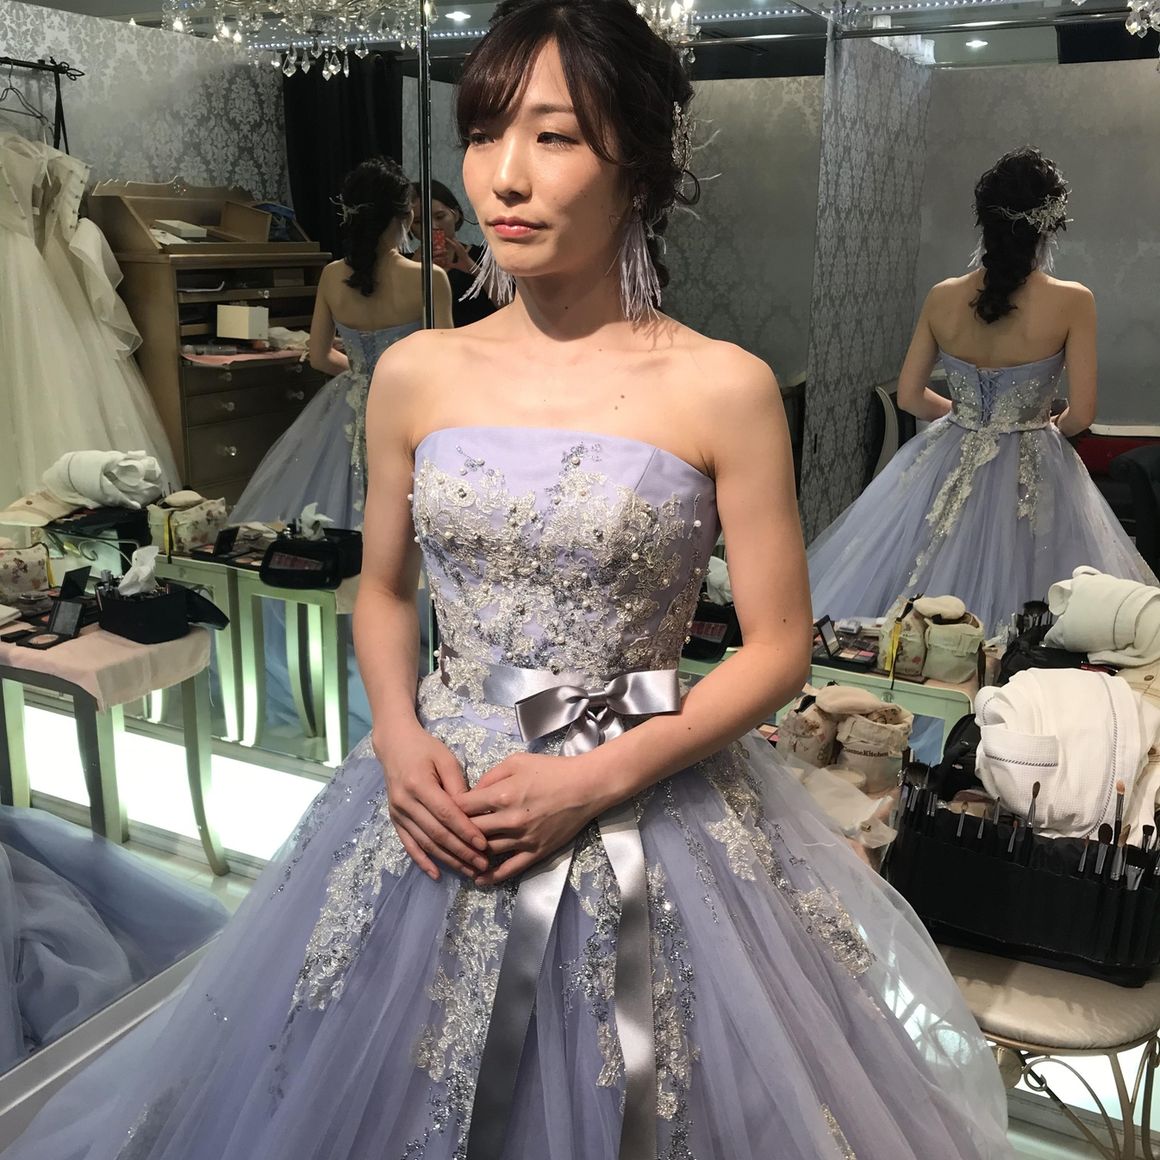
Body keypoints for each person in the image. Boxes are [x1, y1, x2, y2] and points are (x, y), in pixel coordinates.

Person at [0, 3, 1012, 1157]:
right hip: (437, 800)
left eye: (554, 136)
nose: (503, 177)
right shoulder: (418, 372)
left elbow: (778, 646)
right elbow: (385, 593)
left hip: (641, 789)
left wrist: (593, 777)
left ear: (638, 162)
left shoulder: (722, 385)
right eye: (483, 133)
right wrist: (397, 734)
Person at [809, 146, 1156, 638]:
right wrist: (1046, 427)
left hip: (948, 451)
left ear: (985, 221)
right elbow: (1083, 413)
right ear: (1046, 225)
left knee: (904, 590)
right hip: (1034, 458)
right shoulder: (1073, 301)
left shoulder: (942, 296)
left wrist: (964, 416)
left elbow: (909, 396)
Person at [229, 157, 453, 740]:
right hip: (409, 415)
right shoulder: (429, 278)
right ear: (404, 217)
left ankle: (327, 654)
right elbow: (448, 362)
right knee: (404, 533)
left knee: (331, 527)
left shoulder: (332, 276)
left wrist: (359, 372)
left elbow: (316, 355)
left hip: (344, 409)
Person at [408, 179, 500, 327]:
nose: (433, 226)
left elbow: (510, 307)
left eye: (440, 217)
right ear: (409, 225)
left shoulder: (485, 257)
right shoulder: (404, 262)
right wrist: (409, 272)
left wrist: (474, 269)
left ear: (455, 214)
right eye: (419, 222)